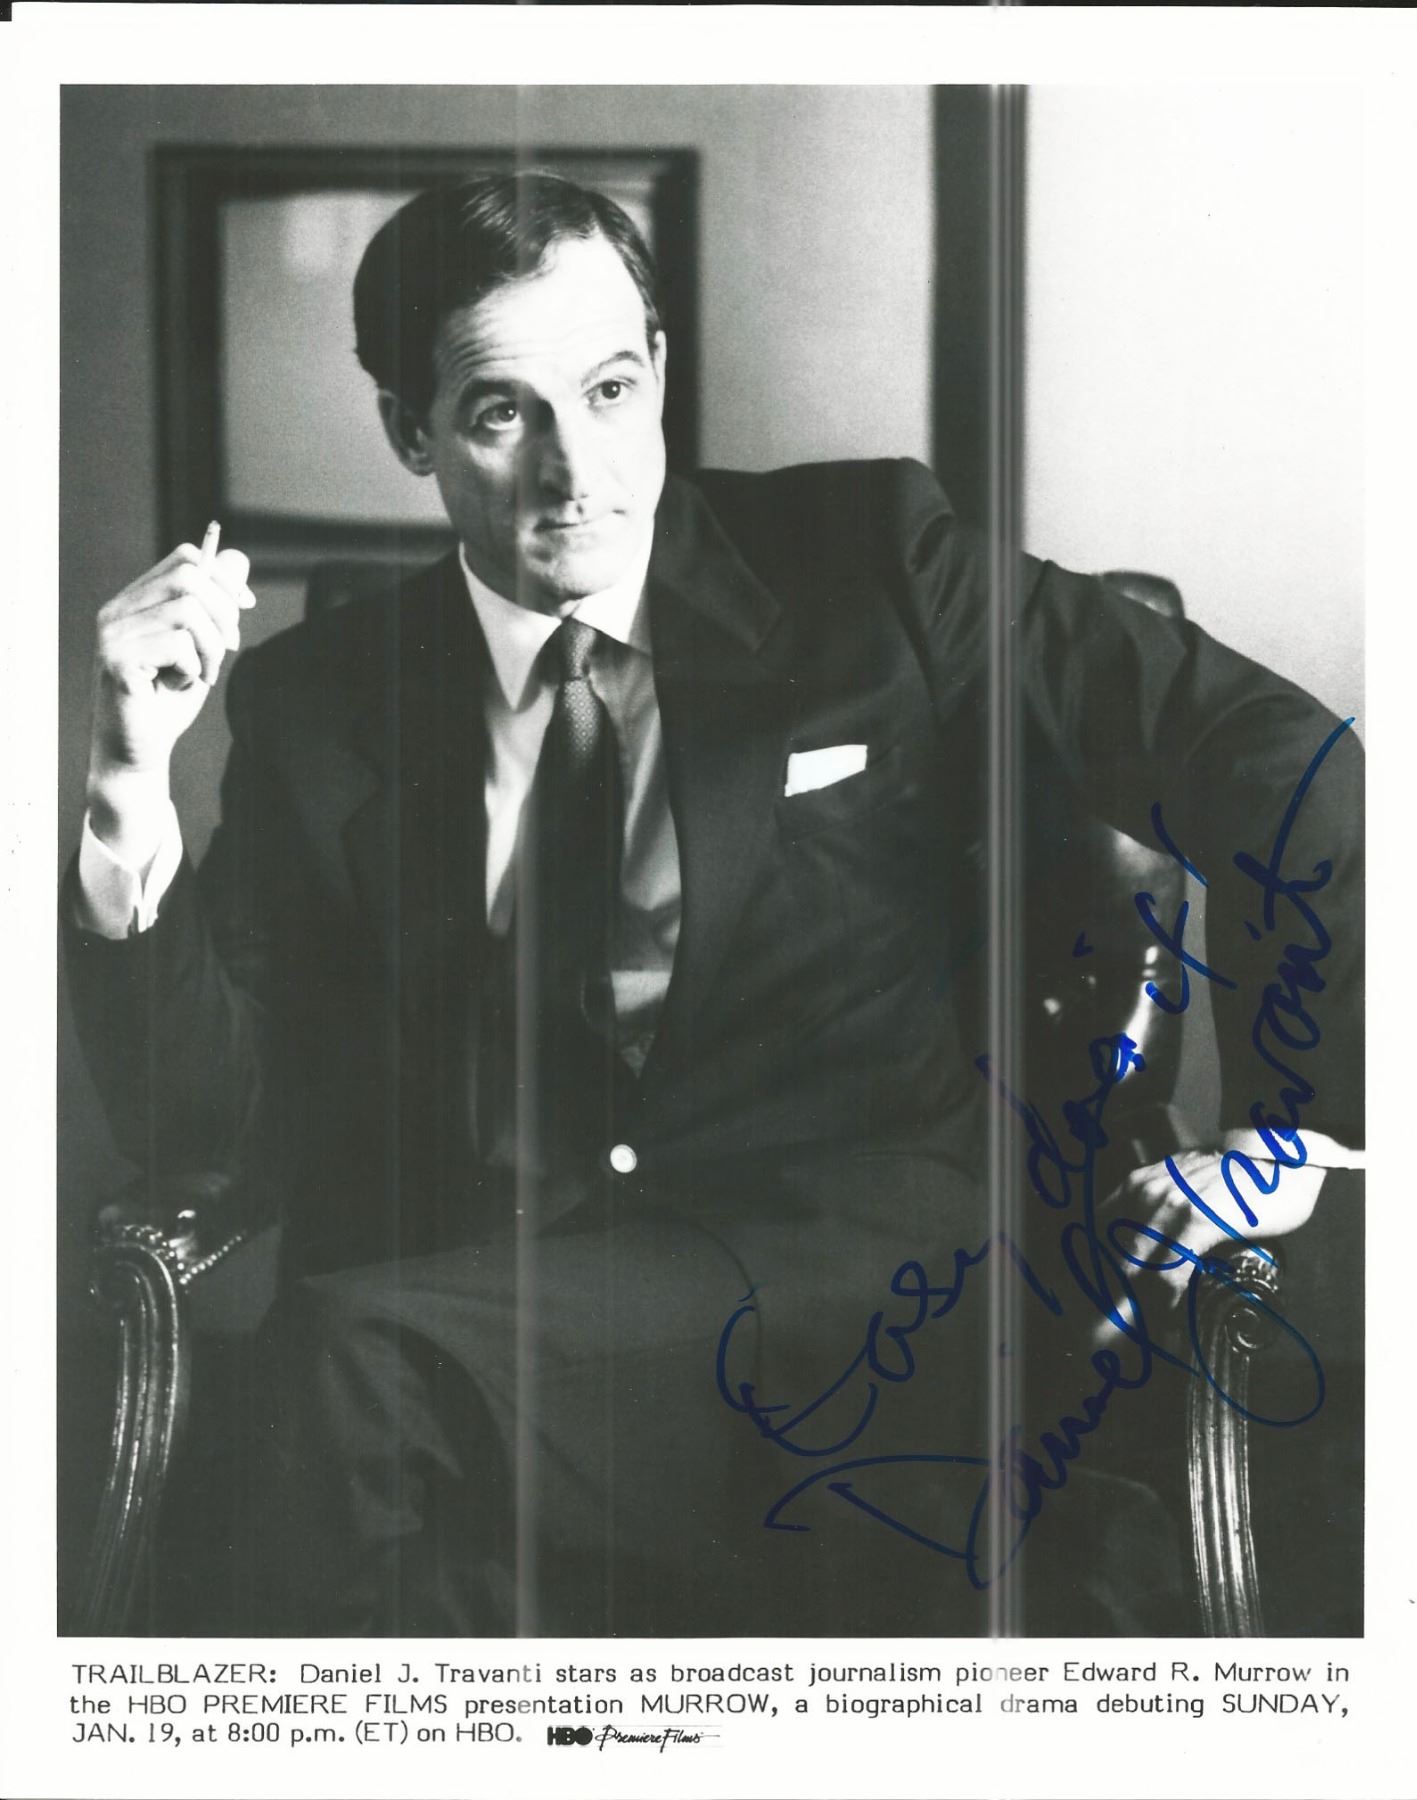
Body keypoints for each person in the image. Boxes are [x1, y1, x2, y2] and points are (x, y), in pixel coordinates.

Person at [64, 172, 1364, 1636]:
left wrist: (1294, 1131)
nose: (575, 471)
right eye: (499, 414)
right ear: (408, 430)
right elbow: (209, 1122)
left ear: (662, 369)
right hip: (509, 1321)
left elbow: (1277, 759)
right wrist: (127, 783)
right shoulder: (323, 698)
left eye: (610, 390)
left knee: (352, 1373)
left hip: (858, 1302)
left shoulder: (873, 559)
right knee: (409, 1530)